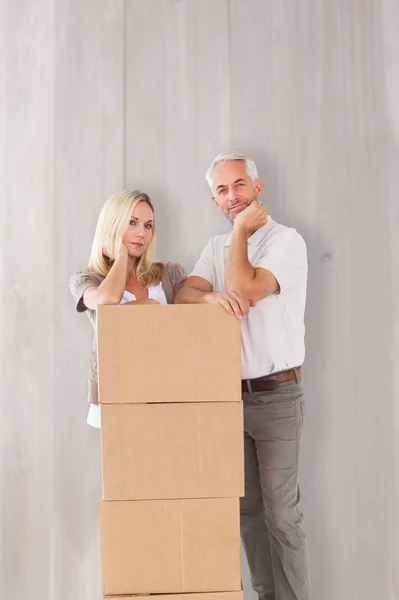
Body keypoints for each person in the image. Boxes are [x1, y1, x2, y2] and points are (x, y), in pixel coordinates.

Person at [175, 152, 309, 600]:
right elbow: (183, 297)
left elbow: (245, 288)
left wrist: (238, 234)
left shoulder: (286, 242)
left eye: (238, 185)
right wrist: (212, 300)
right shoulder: (215, 249)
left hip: (277, 397)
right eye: (221, 190)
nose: (231, 196)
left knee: (282, 516)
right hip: (228, 400)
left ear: (257, 189)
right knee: (248, 513)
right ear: (214, 200)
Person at [69, 189, 187, 428]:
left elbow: (187, 321)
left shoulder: (170, 272)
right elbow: (106, 301)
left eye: (148, 226)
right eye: (131, 223)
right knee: (125, 464)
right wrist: (121, 254)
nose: (141, 233)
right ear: (111, 225)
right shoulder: (86, 279)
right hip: (117, 389)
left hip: (167, 387)